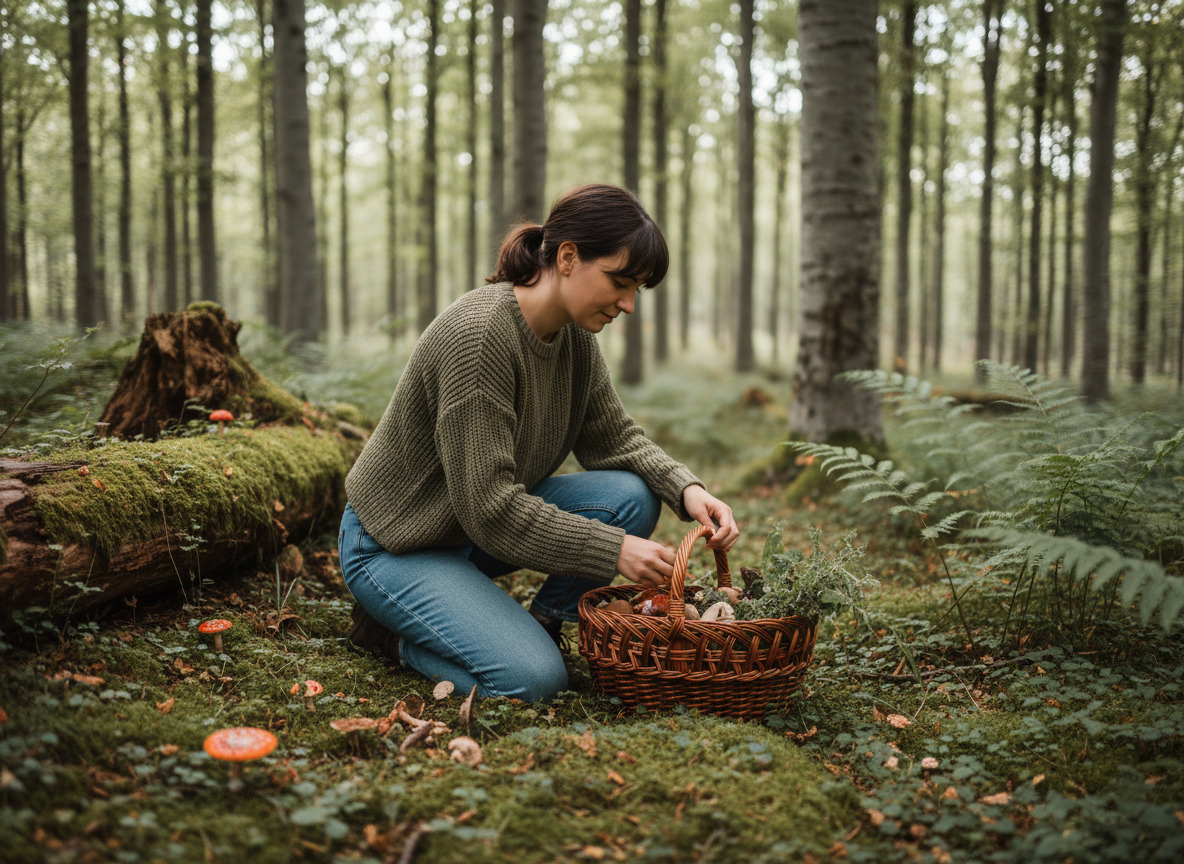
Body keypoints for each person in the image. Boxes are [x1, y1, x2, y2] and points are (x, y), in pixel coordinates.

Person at [338, 183, 738, 702]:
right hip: (396, 544)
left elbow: (614, 438)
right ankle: (387, 635)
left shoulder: (574, 337)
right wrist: (613, 549)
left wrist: (686, 489)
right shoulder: (479, 339)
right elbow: (490, 508)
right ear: (568, 258)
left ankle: (546, 624)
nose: (629, 304)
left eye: (638, 287)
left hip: (465, 532)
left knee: (632, 496)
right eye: (620, 281)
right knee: (532, 680)